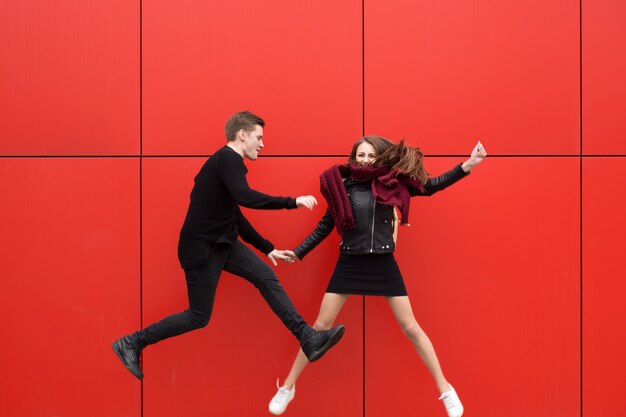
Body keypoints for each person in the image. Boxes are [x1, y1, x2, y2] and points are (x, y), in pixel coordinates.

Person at [112, 111, 345, 380]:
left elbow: (235, 214)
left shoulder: (227, 165)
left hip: (224, 243)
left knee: (267, 278)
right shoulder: (226, 158)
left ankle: (307, 337)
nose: (262, 144)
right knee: (198, 316)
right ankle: (132, 342)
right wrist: (291, 202)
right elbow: (244, 197)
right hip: (201, 250)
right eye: (259, 137)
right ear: (241, 135)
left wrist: (267, 247)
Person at [268, 136, 487, 417]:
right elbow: (325, 225)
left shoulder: (392, 181)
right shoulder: (342, 186)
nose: (365, 160)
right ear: (353, 156)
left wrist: (468, 164)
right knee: (319, 326)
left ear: (380, 157)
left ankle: (446, 389)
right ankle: (287, 387)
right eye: (360, 155)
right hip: (350, 261)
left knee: (411, 328)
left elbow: (431, 186)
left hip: (382, 262)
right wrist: (298, 252)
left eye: (370, 155)